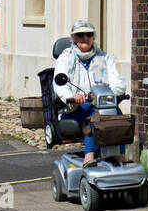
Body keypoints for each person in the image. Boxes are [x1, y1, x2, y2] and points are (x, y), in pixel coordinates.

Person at [53, 20, 127, 165]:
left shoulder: (104, 57)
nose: (85, 37)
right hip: (76, 107)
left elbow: (118, 82)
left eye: (89, 34)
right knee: (95, 115)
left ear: (94, 37)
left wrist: (108, 93)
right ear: (74, 38)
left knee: (117, 114)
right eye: (80, 35)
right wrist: (71, 96)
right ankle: (89, 156)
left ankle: (120, 157)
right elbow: (59, 83)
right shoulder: (66, 57)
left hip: (101, 103)